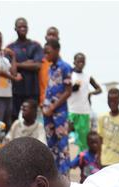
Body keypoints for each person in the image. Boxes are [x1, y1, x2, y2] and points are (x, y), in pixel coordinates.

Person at [41, 40, 71, 174]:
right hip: (47, 113)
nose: (46, 55)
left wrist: (53, 107)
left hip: (59, 113)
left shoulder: (65, 67)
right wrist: (45, 107)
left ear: (57, 50)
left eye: (48, 52)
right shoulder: (50, 68)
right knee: (51, 145)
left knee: (62, 145)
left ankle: (65, 177)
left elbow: (68, 91)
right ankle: (54, 176)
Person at [6, 17, 42, 124]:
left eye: (25, 27)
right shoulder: (10, 47)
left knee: (32, 118)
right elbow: (12, 70)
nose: (22, 29)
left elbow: (37, 66)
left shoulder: (35, 46)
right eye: (20, 27)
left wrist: (17, 63)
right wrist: (28, 63)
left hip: (32, 90)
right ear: (15, 29)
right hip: (16, 90)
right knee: (14, 118)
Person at [37, 26, 58, 102]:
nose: (51, 37)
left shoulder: (60, 62)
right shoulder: (39, 55)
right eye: (50, 35)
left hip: (55, 101)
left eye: (54, 35)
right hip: (40, 100)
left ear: (58, 38)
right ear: (45, 37)